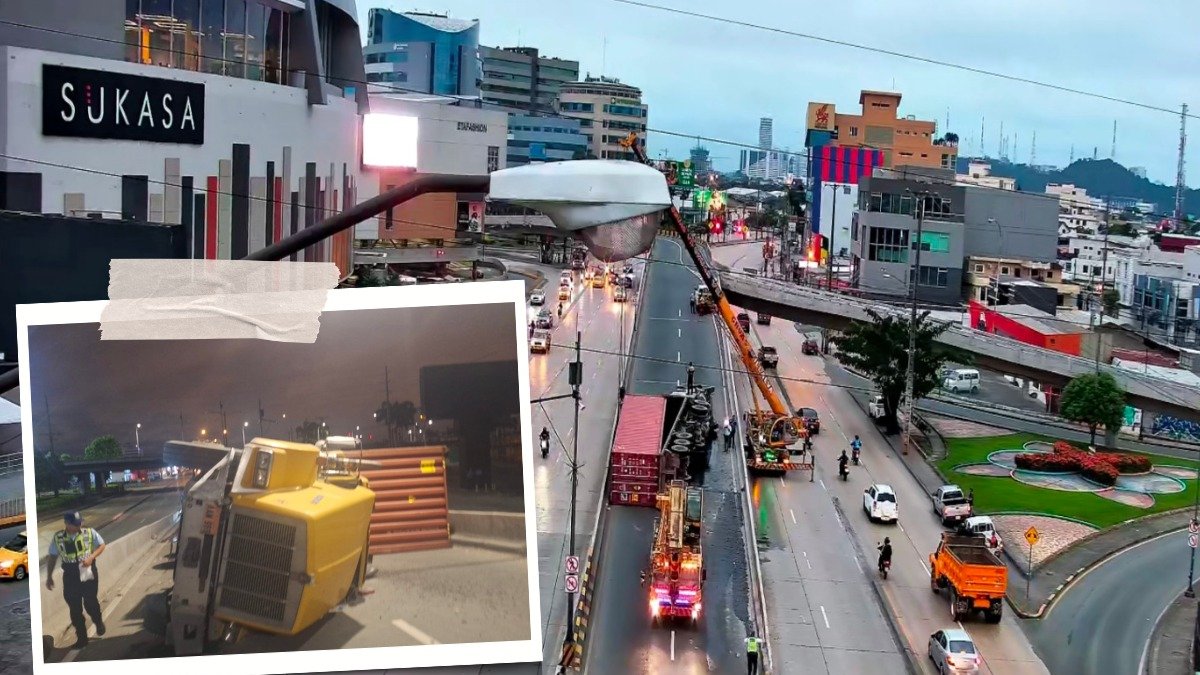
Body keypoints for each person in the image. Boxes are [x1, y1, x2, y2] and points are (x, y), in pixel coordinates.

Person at [46, 511, 106, 649]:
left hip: (88, 571)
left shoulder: (89, 532)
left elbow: (102, 545)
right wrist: (49, 577)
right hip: (70, 574)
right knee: (74, 608)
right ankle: (82, 638)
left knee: (90, 603)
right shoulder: (58, 537)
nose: (79, 526)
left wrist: (91, 557)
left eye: (80, 523)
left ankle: (98, 620)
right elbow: (53, 557)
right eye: (75, 524)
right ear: (67, 524)